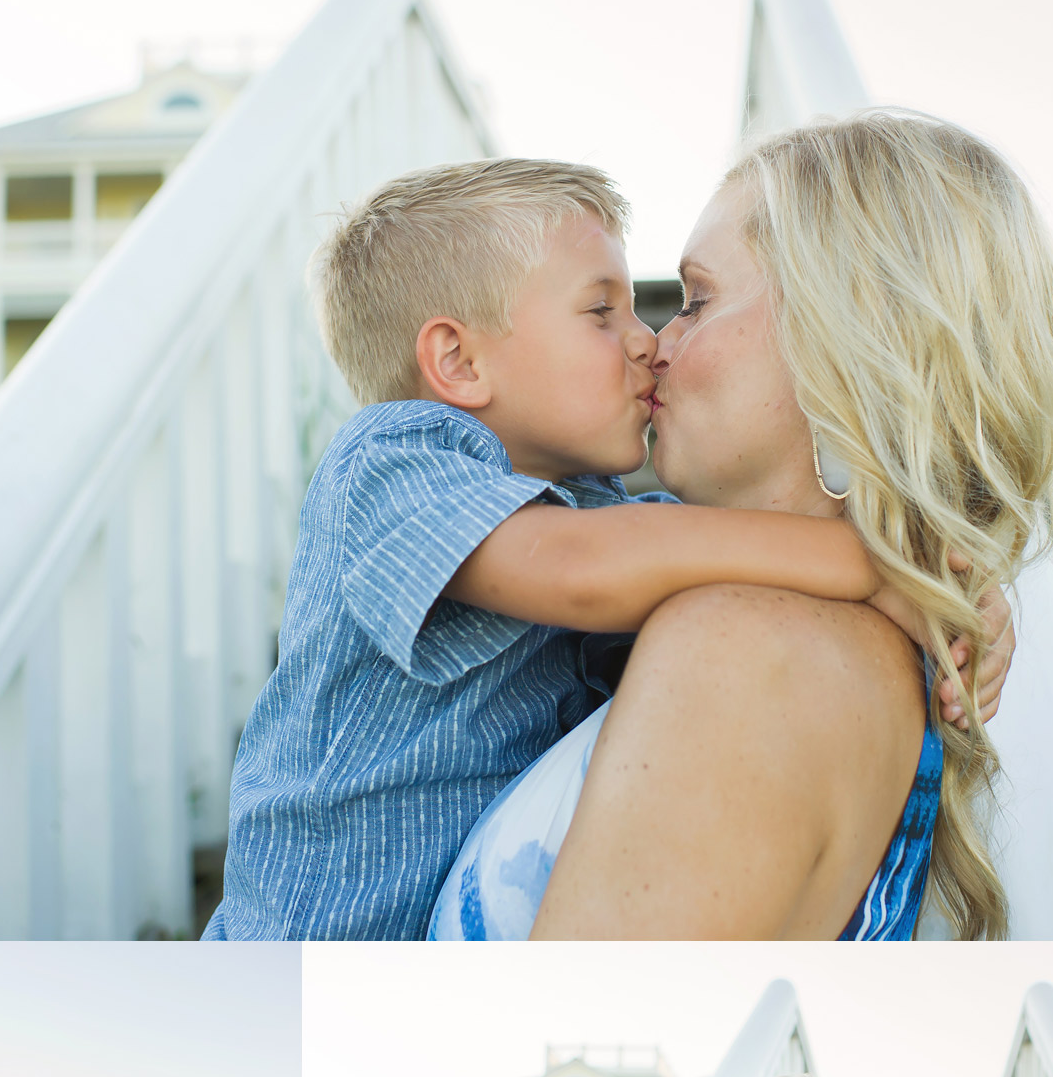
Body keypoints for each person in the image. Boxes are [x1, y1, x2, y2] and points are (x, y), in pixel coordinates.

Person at [217, 154, 1000, 944]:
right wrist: (875, 568)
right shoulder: (392, 461)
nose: (647, 342)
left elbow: (654, 550)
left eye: (681, 304)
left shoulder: (605, 517)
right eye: (601, 313)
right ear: (458, 361)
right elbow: (582, 568)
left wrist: (946, 593)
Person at [430, 109, 1053, 949]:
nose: (655, 344)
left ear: (847, 337)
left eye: (696, 300)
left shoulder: (750, 653)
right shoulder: (826, 644)